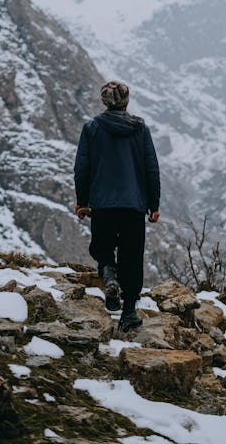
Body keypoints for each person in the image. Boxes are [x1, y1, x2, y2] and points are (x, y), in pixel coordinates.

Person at [73, 80, 160, 330]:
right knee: (132, 255)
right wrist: (154, 204)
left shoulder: (91, 129)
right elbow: (151, 168)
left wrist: (82, 202)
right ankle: (129, 312)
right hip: (134, 204)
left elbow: (82, 169)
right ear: (126, 101)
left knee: (102, 247)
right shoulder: (140, 129)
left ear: (104, 101)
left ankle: (109, 274)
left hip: (102, 203)